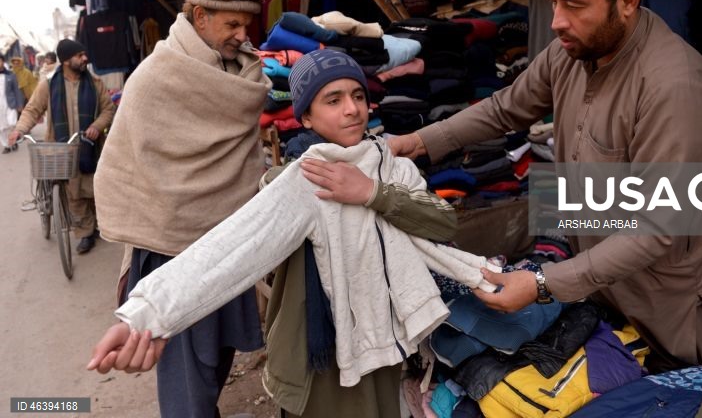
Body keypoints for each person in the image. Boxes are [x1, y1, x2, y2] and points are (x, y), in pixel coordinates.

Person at [389, 0, 702, 373]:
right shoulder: (572, 51)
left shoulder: (674, 86)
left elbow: (658, 228)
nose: (556, 21)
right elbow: (505, 109)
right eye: (554, 1)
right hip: (601, 294)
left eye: (574, 5)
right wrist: (416, 142)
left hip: (667, 311)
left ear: (627, 2)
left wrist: (540, 283)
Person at [87, 49, 499, 417]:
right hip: (321, 359)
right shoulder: (306, 179)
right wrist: (147, 316)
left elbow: (442, 222)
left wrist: (372, 193)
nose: (352, 109)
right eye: (332, 100)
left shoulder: (391, 167)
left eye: (357, 96)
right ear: (306, 117)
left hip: (384, 344)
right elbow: (230, 251)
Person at [91, 0, 271, 418]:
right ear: (200, 18)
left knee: (219, 356)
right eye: (232, 25)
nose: (242, 36)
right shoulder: (156, 76)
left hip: (229, 243)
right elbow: (129, 165)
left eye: (246, 26)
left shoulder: (242, 72)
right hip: (170, 250)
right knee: (187, 374)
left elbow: (239, 156)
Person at [9, 40, 115, 252]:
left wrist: (97, 125)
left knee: (93, 187)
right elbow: (32, 110)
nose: (85, 58)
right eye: (79, 55)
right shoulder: (49, 84)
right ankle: (85, 233)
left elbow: (109, 109)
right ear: (66, 60)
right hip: (62, 147)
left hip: (90, 146)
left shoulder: (94, 83)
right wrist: (19, 130)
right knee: (73, 190)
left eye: (84, 54)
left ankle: (98, 225)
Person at [0, 55, 24, 153]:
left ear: (3, 62)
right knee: (1, 127)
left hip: (10, 103)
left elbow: (17, 91)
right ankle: (6, 145)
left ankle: (13, 140)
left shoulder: (10, 75)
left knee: (11, 123)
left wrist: (19, 105)